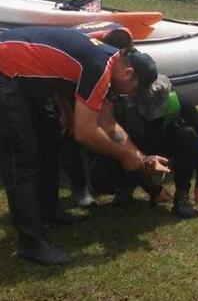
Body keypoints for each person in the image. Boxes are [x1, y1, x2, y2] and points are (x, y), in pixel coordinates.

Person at [0, 26, 169, 265]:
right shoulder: (101, 68)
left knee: (49, 141)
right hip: (5, 72)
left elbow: (110, 126)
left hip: (19, 75)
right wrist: (124, 156)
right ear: (129, 74)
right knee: (22, 158)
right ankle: (31, 244)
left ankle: (49, 211)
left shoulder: (108, 62)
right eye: (135, 90)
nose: (131, 95)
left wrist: (141, 157)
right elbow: (85, 132)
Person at [89, 74, 198, 218]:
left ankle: (182, 196)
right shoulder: (122, 106)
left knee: (188, 135)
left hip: (161, 142)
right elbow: (118, 146)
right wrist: (153, 189)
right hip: (133, 147)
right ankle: (125, 185)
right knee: (101, 175)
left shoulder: (179, 100)